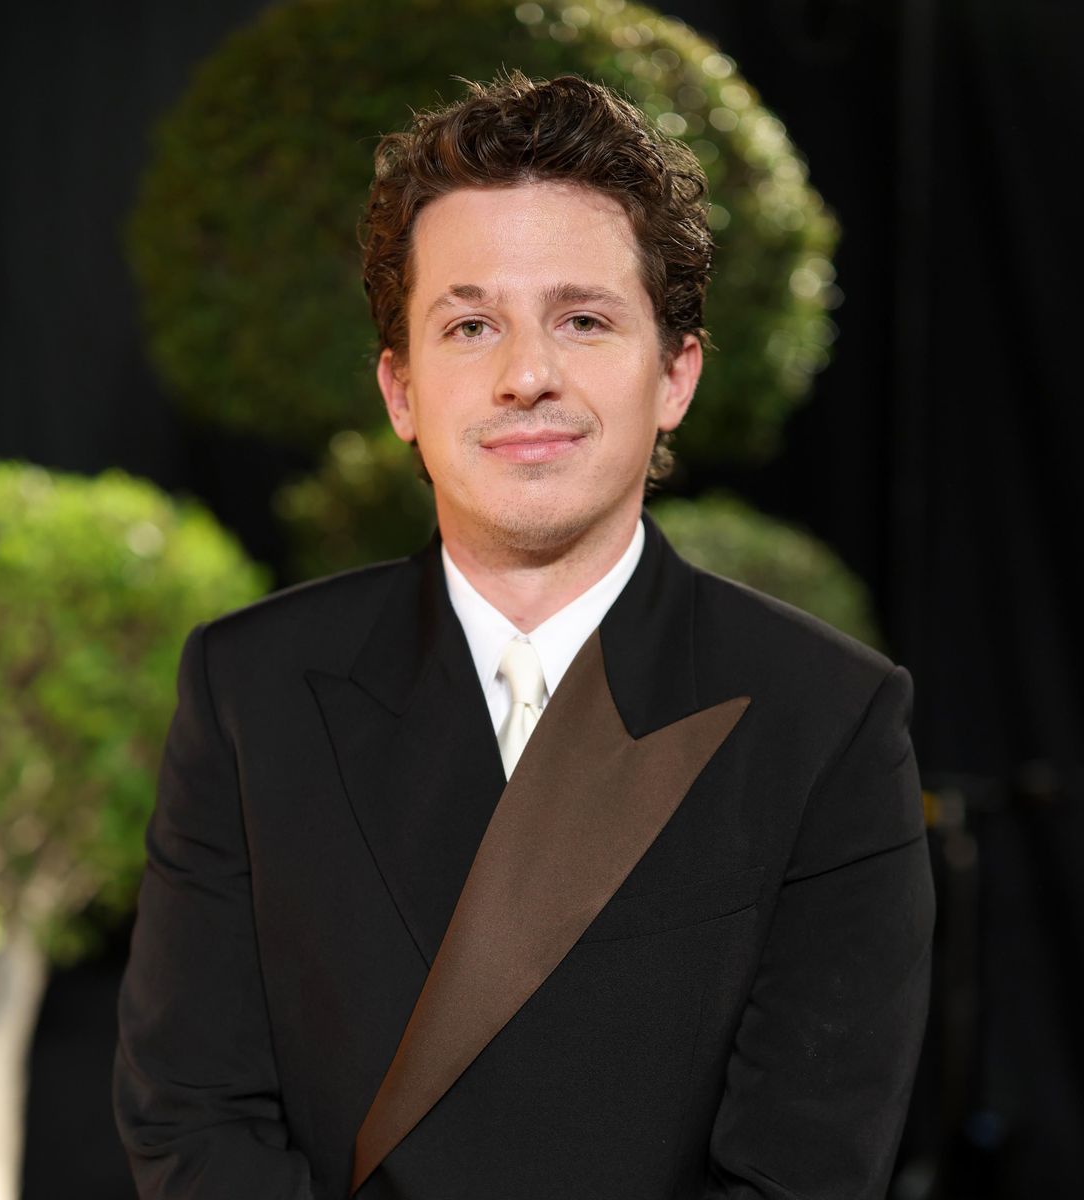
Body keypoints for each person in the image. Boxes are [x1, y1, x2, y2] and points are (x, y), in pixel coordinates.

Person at [113, 72, 934, 1199]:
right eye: (470, 326)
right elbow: (192, 1118)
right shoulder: (251, 691)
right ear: (401, 391)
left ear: (676, 376)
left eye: (583, 320)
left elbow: (802, 1168)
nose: (527, 376)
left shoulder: (827, 720)